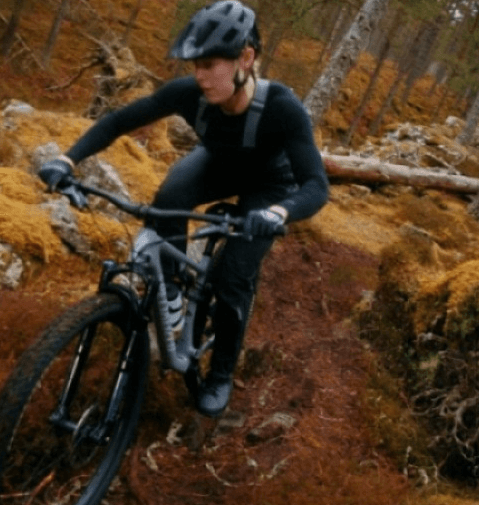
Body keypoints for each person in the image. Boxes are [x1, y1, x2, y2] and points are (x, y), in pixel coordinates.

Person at [39, 0, 328, 417]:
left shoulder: (282, 107)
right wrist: (67, 161)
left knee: (233, 279)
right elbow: (118, 121)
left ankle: (221, 373)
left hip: (268, 188)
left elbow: (316, 186)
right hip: (218, 164)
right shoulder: (190, 95)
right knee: (167, 201)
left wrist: (278, 213)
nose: (200, 76)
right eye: (195, 64)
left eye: (211, 64)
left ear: (246, 58)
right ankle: (171, 292)